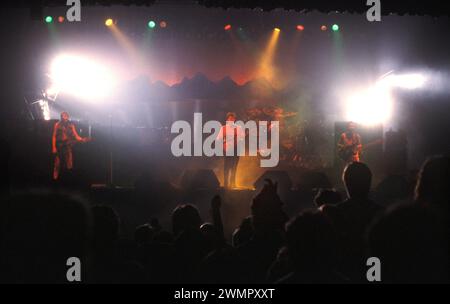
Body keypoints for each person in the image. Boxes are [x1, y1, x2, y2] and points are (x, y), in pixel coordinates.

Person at [51, 112, 88, 180]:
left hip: (67, 145)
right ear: (61, 117)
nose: (64, 118)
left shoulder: (71, 125)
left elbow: (76, 136)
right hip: (59, 145)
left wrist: (82, 139)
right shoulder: (57, 124)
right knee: (57, 162)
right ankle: (55, 179)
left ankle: (68, 178)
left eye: (65, 117)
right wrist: (53, 147)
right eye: (62, 117)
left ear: (67, 117)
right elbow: (54, 136)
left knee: (69, 163)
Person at [217, 112, 245, 189]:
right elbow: (218, 139)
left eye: (232, 119)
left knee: (234, 167)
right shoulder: (223, 128)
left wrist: (239, 138)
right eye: (230, 118)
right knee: (227, 167)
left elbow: (242, 138)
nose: (231, 120)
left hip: (236, 149)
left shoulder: (238, 128)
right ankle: (226, 183)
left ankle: (233, 183)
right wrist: (224, 144)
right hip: (227, 150)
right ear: (227, 119)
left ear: (234, 119)